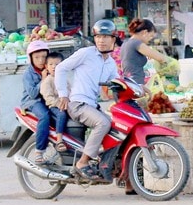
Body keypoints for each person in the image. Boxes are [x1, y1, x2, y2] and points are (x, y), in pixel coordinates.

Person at [55, 19, 119, 181]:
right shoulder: (86, 53)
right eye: (98, 37)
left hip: (92, 105)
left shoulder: (111, 63)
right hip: (77, 103)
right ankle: (82, 163)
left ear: (113, 39)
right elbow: (61, 68)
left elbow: (118, 83)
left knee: (118, 128)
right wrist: (63, 94)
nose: (102, 41)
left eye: (106, 37)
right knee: (103, 123)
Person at [20, 40, 53, 165]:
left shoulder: (51, 68)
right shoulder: (28, 73)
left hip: (48, 99)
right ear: (31, 58)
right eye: (36, 57)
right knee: (44, 116)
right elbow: (33, 93)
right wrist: (44, 80)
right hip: (32, 101)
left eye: (44, 57)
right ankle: (39, 151)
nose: (40, 60)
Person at [120, 18, 177, 89]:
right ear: (145, 32)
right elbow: (160, 58)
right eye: (151, 36)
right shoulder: (136, 43)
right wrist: (174, 64)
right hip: (135, 84)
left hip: (129, 82)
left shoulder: (126, 42)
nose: (151, 39)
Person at [39, 51, 68, 153]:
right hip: (54, 106)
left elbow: (70, 91)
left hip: (66, 104)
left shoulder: (64, 79)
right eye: (51, 64)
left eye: (57, 64)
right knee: (62, 114)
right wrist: (59, 104)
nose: (54, 67)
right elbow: (48, 97)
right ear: (46, 66)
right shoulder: (47, 81)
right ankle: (59, 139)